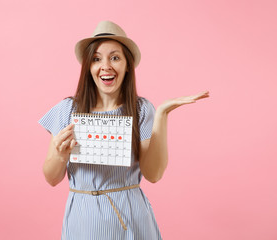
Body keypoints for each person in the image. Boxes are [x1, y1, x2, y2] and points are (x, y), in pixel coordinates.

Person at [39, 20, 209, 240]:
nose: (106, 66)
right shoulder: (66, 110)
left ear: (127, 65)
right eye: (96, 59)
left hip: (130, 217)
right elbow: (51, 179)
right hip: (83, 220)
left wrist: (162, 114)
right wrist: (60, 155)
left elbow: (153, 174)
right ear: (88, 67)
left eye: (115, 57)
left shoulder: (141, 109)